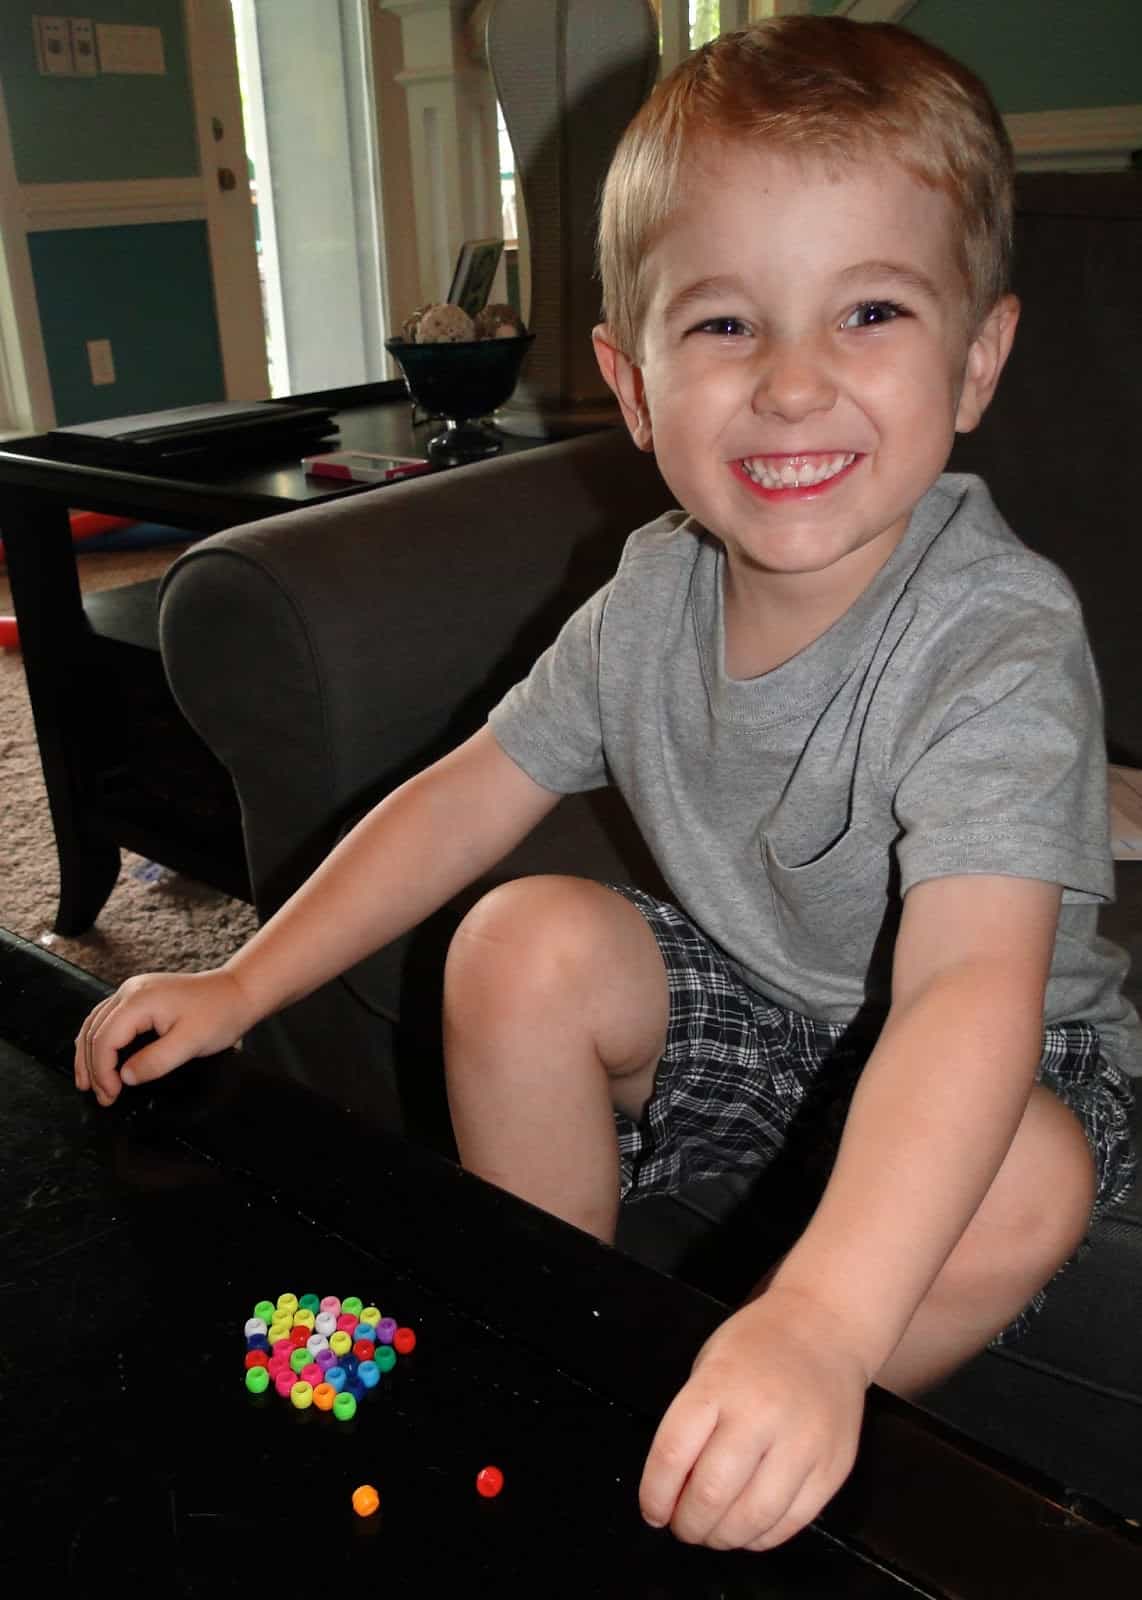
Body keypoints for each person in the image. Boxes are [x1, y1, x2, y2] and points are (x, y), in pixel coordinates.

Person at [76, 15, 1137, 1555]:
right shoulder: (647, 594)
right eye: (722, 326)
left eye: (868, 313)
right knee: (521, 936)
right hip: (758, 1004)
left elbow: (971, 991)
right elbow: (465, 794)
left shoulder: (997, 639)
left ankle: (730, 1438)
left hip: (999, 1045)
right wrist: (243, 979)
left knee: (1026, 1174)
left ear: (976, 361)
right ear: (631, 385)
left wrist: (825, 1323)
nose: (788, 385)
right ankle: (548, 1334)